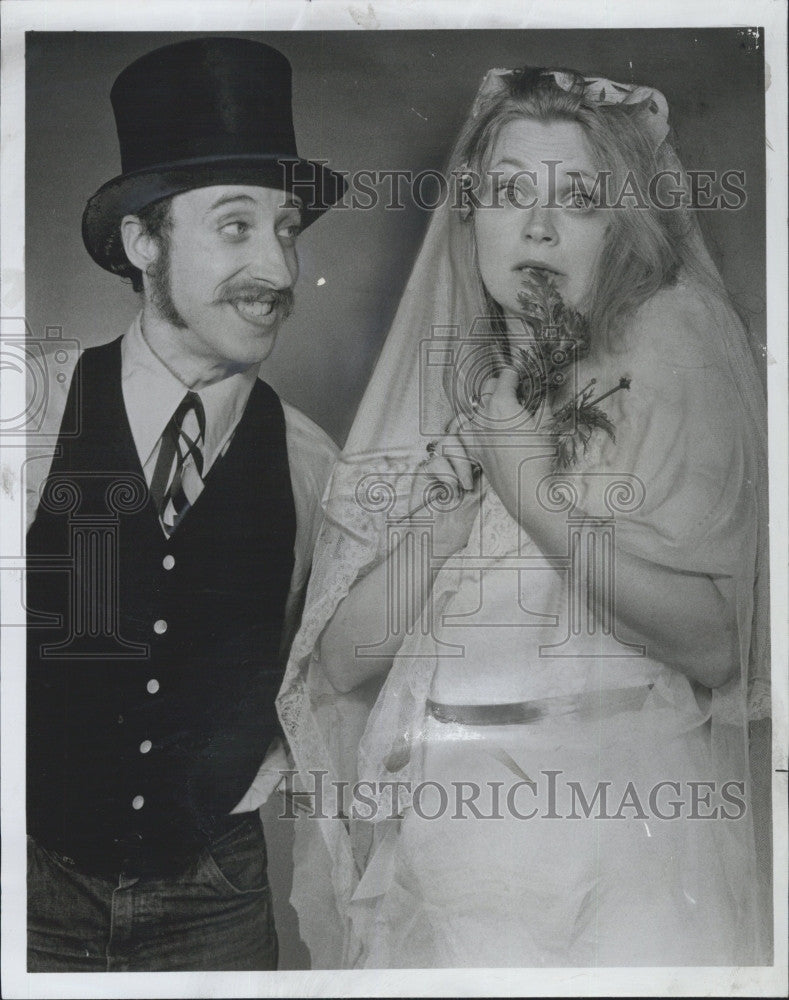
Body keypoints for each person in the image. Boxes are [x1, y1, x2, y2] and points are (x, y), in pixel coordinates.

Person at [276, 66, 771, 967]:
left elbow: (714, 643)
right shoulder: (456, 387)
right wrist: (455, 512)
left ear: (620, 221)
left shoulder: (672, 342)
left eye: (577, 198)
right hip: (451, 845)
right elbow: (342, 660)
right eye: (506, 193)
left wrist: (532, 491)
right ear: (467, 217)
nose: (536, 227)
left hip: (622, 835)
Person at [25, 37, 345, 971]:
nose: (280, 273)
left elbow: (325, 688)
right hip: (28, 889)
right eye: (236, 227)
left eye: (287, 229)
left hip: (218, 905)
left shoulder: (313, 466)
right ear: (142, 241)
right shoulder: (27, 419)